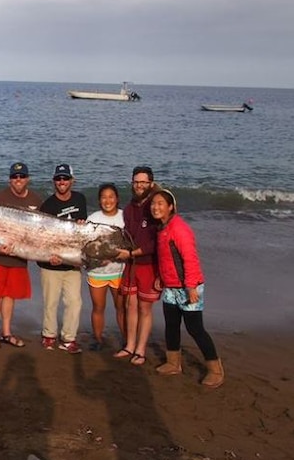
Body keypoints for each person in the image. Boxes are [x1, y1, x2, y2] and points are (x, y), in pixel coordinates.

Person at [149, 189, 223, 388]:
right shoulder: (161, 228)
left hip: (189, 286)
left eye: (160, 204)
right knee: (171, 326)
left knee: (195, 329)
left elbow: (190, 260)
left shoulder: (179, 229)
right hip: (171, 288)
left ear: (171, 207)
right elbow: (166, 259)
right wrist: (160, 278)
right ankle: (173, 363)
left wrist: (191, 287)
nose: (155, 207)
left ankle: (215, 370)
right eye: (153, 203)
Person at [0, 162, 42, 349]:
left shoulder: (36, 199)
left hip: (19, 257)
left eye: (22, 177)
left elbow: (41, 231)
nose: (18, 180)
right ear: (10, 179)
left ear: (28, 179)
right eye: (15, 177)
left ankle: (6, 332)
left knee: (10, 295)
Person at [113, 166, 161, 366]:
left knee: (144, 308)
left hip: (148, 264)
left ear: (150, 183)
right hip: (131, 264)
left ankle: (141, 350)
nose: (139, 185)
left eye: (143, 182)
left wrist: (132, 253)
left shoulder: (155, 205)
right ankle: (129, 345)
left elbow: (155, 242)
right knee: (129, 305)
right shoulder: (131, 207)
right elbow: (127, 236)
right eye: (136, 181)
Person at [38, 164, 88, 354]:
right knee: (51, 302)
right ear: (54, 182)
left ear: (72, 181)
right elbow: (42, 236)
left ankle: (69, 338)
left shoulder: (80, 199)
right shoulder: (47, 205)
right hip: (50, 263)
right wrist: (50, 256)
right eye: (58, 179)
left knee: (74, 302)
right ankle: (49, 335)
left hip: (72, 263)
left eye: (65, 178)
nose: (62, 182)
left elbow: (80, 233)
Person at [86, 183, 126, 351]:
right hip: (97, 272)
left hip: (119, 272)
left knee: (121, 308)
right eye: (103, 197)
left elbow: (130, 243)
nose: (107, 200)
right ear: (99, 200)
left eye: (111, 197)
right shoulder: (92, 219)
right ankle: (98, 339)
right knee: (98, 307)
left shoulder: (126, 217)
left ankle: (127, 340)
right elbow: (86, 246)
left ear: (117, 199)